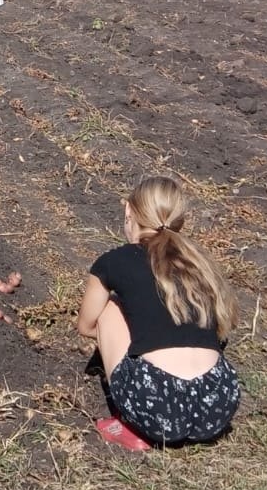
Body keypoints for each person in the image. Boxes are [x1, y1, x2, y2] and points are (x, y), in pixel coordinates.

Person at [76, 176, 241, 448]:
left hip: (158, 407)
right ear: (180, 220)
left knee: (110, 308)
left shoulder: (114, 262)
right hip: (218, 405)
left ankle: (129, 425)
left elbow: (86, 325)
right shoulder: (200, 263)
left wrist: (125, 337)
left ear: (129, 211)